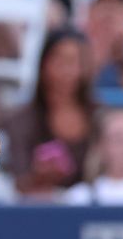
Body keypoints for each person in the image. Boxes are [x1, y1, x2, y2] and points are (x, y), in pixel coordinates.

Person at [5, 28, 99, 199]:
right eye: (61, 60)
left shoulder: (100, 117)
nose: (68, 70)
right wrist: (39, 174)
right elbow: (18, 182)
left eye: (77, 61)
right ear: (44, 63)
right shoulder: (20, 120)